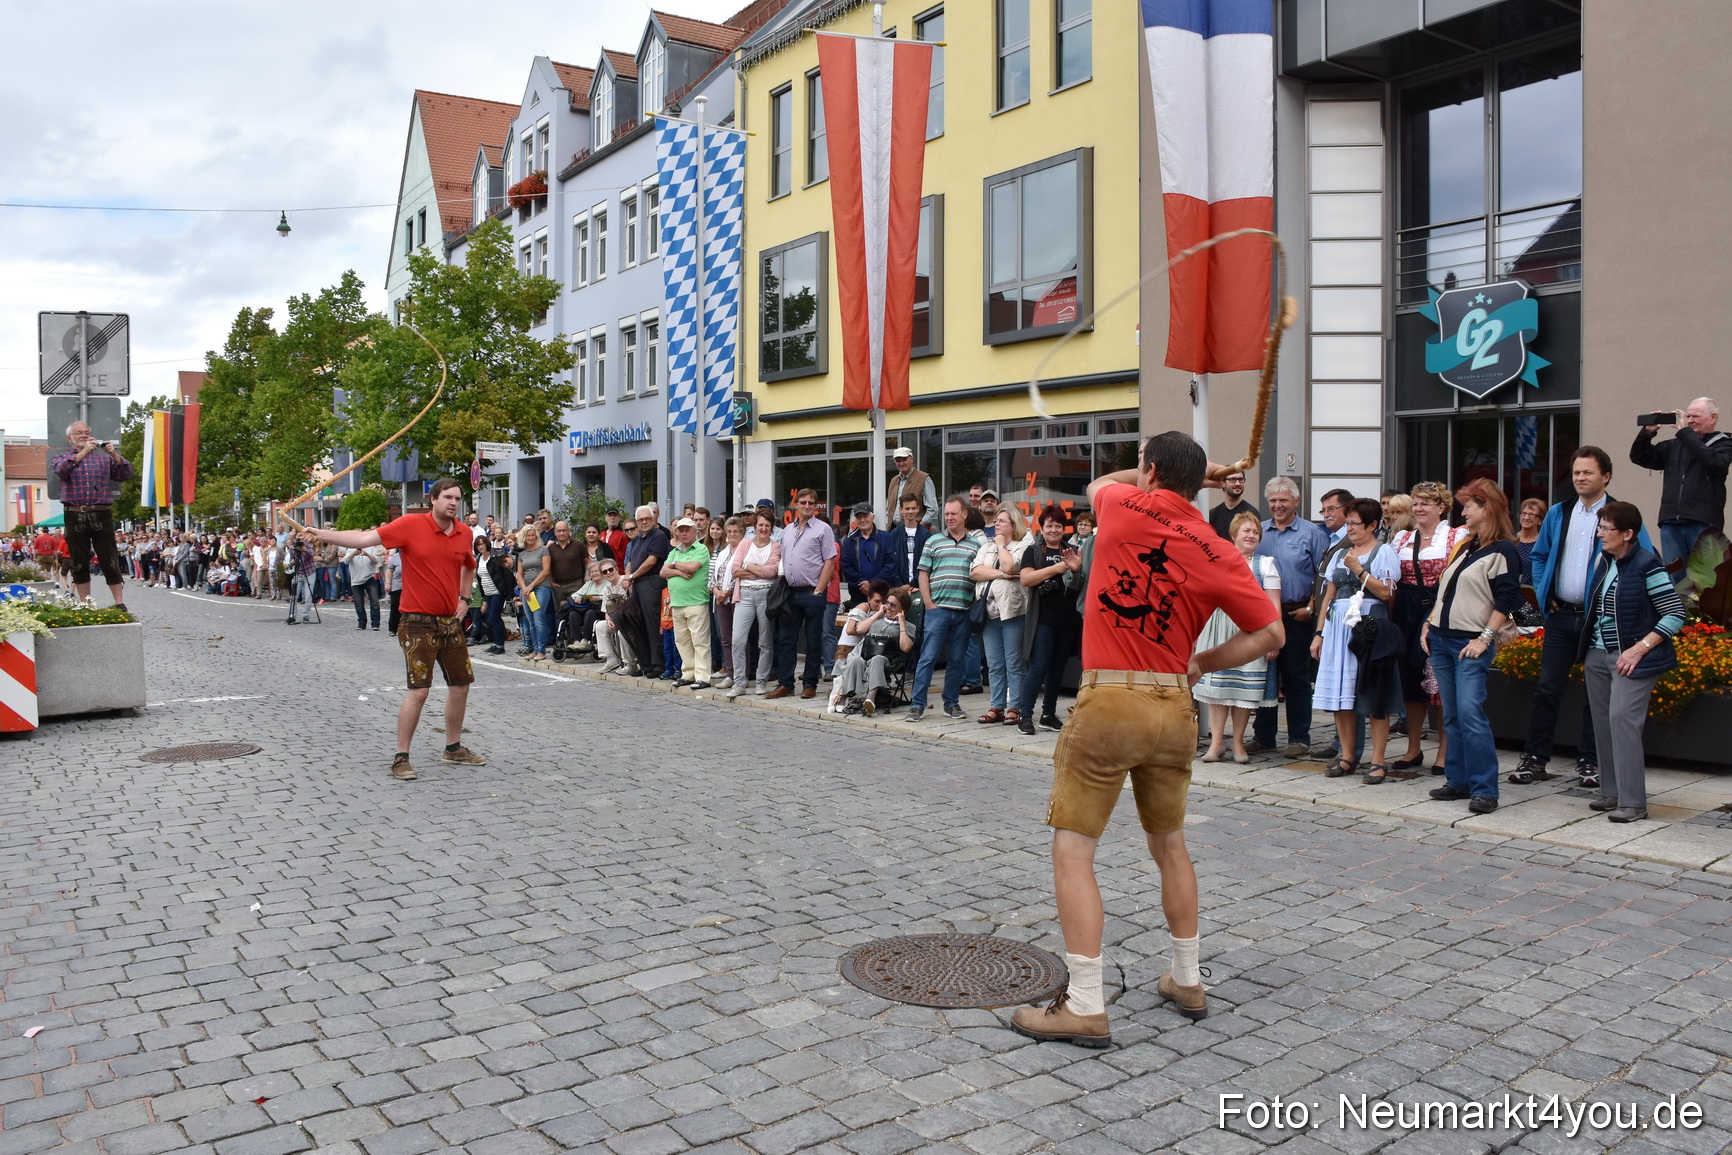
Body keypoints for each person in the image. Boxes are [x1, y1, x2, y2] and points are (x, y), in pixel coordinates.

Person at [1011, 432, 1283, 1048]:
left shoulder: (1123, 504)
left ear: (1151, 469)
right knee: (1170, 846)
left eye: (1143, 465)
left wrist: (1200, 475)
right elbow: (1270, 635)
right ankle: (1187, 979)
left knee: (1074, 851)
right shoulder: (1218, 549)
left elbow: (1099, 485)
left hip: (1111, 700)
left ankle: (1084, 1004)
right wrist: (1202, 661)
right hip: (1173, 706)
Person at [302, 477, 486, 781]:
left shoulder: (465, 533)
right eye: (448, 498)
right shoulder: (410, 525)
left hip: (448, 621)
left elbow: (469, 564)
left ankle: (453, 748)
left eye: (457, 498)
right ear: (433, 499)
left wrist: (465, 598)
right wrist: (321, 533)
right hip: (416, 622)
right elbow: (363, 539)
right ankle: (401, 757)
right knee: (419, 690)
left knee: (461, 684)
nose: (454, 503)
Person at [1513, 448, 1653, 789]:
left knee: (1597, 694)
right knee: (1548, 688)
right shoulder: (1559, 513)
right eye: (1576, 472)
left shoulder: (1620, 516)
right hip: (1562, 615)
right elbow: (1542, 555)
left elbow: (1644, 558)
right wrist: (1546, 595)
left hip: (1600, 621)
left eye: (1587, 473)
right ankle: (1536, 758)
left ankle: (1591, 760)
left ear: (1605, 476)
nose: (1580, 478)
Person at [1579, 501, 1686, 823]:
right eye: (1600, 528)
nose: (1600, 534)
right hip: (1599, 654)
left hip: (1633, 659)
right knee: (1604, 724)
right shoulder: (1606, 560)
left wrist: (1640, 648)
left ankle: (1634, 803)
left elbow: (1675, 613)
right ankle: (1611, 793)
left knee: (1623, 722)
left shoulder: (1647, 565)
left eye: (1606, 529)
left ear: (1627, 533)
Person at [1423, 479, 1523, 815]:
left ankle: (1485, 789)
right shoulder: (1466, 546)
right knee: (1451, 716)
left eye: (1469, 505)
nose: (1463, 511)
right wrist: (1429, 622)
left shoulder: (1504, 549)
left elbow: (1508, 597)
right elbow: (1445, 592)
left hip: (1469, 642)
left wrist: (1485, 637)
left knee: (1470, 713)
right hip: (1441, 638)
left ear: (1488, 508)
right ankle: (1459, 779)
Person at [1309, 499, 1402, 783]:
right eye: (1347, 523)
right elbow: (1329, 595)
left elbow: (1386, 593)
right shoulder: (1341, 554)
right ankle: (1348, 755)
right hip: (1338, 628)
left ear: (1373, 525)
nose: (1349, 529)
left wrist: (1359, 570)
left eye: (1355, 524)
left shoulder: (1383, 551)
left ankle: (1378, 759)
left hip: (1368, 628)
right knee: (1342, 695)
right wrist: (1319, 633)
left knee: (1374, 695)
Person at [1388, 481, 1469, 774]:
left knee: (1438, 677)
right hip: (1406, 609)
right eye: (1416, 502)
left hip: (1439, 606)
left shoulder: (1456, 536)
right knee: (1409, 677)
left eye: (1425, 503)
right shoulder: (1402, 539)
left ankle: (1445, 753)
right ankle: (1413, 748)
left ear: (1441, 507)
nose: (1419, 508)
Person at [1194, 512, 1281, 762]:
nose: (1252, 535)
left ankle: (1239, 743)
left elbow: (1274, 603)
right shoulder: (1217, 560)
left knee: (1244, 692)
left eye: (1255, 532)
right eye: (1246, 531)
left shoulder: (1265, 564)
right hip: (1218, 628)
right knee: (1217, 688)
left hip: (1251, 631)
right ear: (1234, 535)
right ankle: (1217, 743)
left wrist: (1273, 638)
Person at [1252, 477, 1329, 757]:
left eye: (1283, 500)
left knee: (1295, 677)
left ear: (1296, 501)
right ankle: (1263, 737)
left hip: (1296, 613)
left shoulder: (1312, 533)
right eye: (1273, 500)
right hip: (1262, 616)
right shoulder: (1259, 532)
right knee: (1263, 675)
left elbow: (1323, 578)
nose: (1277, 505)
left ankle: (1299, 737)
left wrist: (1310, 609)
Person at [1630, 397, 1731, 580]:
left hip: (1702, 522)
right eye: (1688, 416)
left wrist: (1685, 433)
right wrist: (1646, 434)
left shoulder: (1723, 443)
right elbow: (1640, 457)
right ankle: (1678, 610)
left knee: (1705, 580)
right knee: (1676, 581)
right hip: (1671, 523)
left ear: (1713, 418)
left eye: (1695, 416)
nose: (1689, 420)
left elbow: (1715, 464)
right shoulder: (1675, 445)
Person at [906, 496, 986, 722]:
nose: (949, 518)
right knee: (928, 658)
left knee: (957, 660)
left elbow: (980, 574)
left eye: (953, 514)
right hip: (938, 609)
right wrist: (929, 603)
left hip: (963, 610)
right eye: (947, 514)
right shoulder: (933, 541)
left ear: (964, 515)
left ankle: (951, 704)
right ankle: (917, 705)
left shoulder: (976, 545)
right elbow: (923, 573)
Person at [48, 422, 133, 611]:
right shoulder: (62, 457)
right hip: (74, 513)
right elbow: (61, 471)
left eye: (87, 432)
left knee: (109, 559)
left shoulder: (103, 459)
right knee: (79, 561)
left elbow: (126, 474)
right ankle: (85, 603)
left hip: (101, 512)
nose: (84, 435)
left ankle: (119, 602)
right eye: (79, 433)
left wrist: (114, 454)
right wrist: (84, 453)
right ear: (70, 438)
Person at [1014, 507, 1084, 736]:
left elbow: (1080, 580)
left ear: (1064, 529)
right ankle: (1025, 715)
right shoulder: (1033, 551)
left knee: (1058, 667)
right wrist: (1057, 567)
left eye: (1057, 526)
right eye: (1049, 526)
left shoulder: (1072, 550)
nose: (1054, 530)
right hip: (1042, 618)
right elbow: (1026, 579)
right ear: (1041, 528)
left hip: (1067, 617)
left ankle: (1048, 714)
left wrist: (1075, 569)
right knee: (1038, 665)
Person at [769, 489, 835, 700]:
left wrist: (819, 590)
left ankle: (809, 684)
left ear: (816, 506)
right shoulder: (787, 530)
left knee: (813, 641)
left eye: (811, 502)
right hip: (790, 593)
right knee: (786, 640)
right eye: (803, 502)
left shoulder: (823, 529)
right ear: (795, 505)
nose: (807, 505)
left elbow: (829, 561)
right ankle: (786, 683)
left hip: (812, 593)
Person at [971, 507, 1030, 725]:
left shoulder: (1022, 546)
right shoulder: (985, 547)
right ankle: (996, 706)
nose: (997, 524)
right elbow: (975, 572)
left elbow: (1010, 564)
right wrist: (1003, 575)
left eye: (1002, 521)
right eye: (996, 521)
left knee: (1014, 662)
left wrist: (1001, 546)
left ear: (1013, 525)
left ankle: (1014, 706)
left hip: (1012, 610)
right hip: (988, 612)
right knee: (994, 663)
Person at [832, 587, 918, 715]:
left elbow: (905, 648)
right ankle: (843, 697)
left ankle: (870, 698)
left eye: (893, 605)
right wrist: (878, 613)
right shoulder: (875, 617)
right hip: (865, 654)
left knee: (877, 659)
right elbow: (859, 629)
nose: (888, 607)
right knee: (855, 660)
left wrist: (901, 623)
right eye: (887, 603)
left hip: (887, 660)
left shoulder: (909, 626)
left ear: (903, 609)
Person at [728, 512, 782, 697]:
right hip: (744, 594)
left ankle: (761, 681)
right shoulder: (744, 544)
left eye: (767, 525)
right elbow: (735, 570)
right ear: (755, 527)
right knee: (738, 640)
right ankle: (740, 682)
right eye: (760, 525)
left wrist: (749, 566)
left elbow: (773, 571)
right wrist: (760, 571)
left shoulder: (775, 547)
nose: (763, 528)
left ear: (771, 528)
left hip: (766, 595)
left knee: (765, 642)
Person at [662, 517, 714, 689]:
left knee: (700, 641)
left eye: (687, 530)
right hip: (677, 603)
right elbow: (663, 572)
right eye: (681, 530)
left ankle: (703, 676)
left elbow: (692, 568)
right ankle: (689, 673)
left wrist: (675, 566)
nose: (684, 533)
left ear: (695, 532)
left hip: (696, 601)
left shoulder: (701, 549)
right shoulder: (675, 551)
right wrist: (680, 572)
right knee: (682, 641)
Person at [621, 505, 671, 679]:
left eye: (647, 518)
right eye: (641, 519)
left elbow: (651, 561)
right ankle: (646, 663)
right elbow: (630, 561)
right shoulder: (637, 539)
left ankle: (658, 664)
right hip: (638, 584)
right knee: (640, 624)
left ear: (653, 519)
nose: (644, 522)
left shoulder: (658, 536)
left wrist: (632, 576)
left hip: (652, 583)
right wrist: (628, 578)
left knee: (653, 623)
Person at [841, 502, 897, 608]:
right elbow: (846, 567)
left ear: (873, 517)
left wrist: (871, 584)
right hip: (858, 594)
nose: (862, 520)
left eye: (865, 516)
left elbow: (891, 565)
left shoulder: (887, 538)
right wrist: (862, 584)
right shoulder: (850, 541)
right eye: (859, 517)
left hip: (883, 594)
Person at [514, 525, 552, 662]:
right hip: (526, 590)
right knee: (530, 621)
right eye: (527, 535)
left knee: (538, 619)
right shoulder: (522, 554)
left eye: (532, 535)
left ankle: (541, 650)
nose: (530, 538)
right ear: (523, 537)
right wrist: (524, 588)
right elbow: (519, 573)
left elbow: (546, 571)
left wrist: (530, 586)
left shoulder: (544, 550)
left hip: (541, 587)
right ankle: (534, 649)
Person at [472, 535, 514, 653]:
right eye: (478, 545)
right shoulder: (478, 558)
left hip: (497, 591)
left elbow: (506, 575)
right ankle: (495, 643)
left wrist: (507, 593)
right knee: (491, 618)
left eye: (482, 544)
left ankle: (500, 645)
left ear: (486, 544)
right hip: (487, 592)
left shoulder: (495, 556)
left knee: (495, 617)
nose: (480, 546)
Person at [888, 446, 939, 529]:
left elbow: (933, 509)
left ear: (912, 459)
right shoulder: (894, 480)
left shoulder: (924, 478)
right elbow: (889, 508)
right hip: (894, 531)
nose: (901, 463)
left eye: (904, 460)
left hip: (915, 530)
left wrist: (920, 528)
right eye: (898, 461)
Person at [892, 494, 933, 589]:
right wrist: (900, 586)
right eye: (907, 508)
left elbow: (927, 563)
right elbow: (891, 563)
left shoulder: (926, 535)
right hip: (898, 588)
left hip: (920, 588)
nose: (910, 511)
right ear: (900, 509)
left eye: (913, 508)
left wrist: (911, 585)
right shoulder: (894, 535)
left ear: (918, 509)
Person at [1208, 471, 1259, 542]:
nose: (1238, 483)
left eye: (1241, 479)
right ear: (1223, 482)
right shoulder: (1213, 514)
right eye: (1233, 479)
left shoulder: (1251, 513)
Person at [347, 538, 384, 630]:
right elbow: (345, 561)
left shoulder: (371, 547)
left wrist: (367, 554)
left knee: (374, 601)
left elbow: (376, 560)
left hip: (369, 577)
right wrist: (354, 553)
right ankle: (361, 623)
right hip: (356, 579)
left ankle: (375, 623)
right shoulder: (351, 548)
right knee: (359, 603)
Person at [285, 532, 317, 624]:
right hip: (298, 573)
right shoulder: (292, 548)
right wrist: (292, 562)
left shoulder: (308, 546)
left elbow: (311, 556)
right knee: (294, 596)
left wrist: (304, 550)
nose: (299, 538)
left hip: (309, 572)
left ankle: (306, 616)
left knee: (308, 596)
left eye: (301, 536)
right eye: (298, 537)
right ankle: (292, 616)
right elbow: (292, 562)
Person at [1514, 498, 1546, 587]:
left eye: (1532, 514)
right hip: (1510, 595)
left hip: (1533, 597)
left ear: (1540, 520)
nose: (1526, 517)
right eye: (1524, 513)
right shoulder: (1510, 541)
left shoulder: (1543, 544)